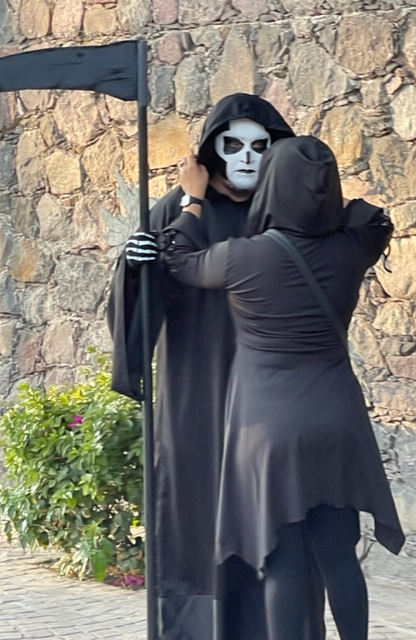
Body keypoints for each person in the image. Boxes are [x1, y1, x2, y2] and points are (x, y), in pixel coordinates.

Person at [163, 136, 406, 640]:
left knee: (283, 561)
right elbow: (376, 219)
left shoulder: (242, 257)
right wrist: (326, 203)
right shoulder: (352, 247)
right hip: (337, 421)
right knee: (339, 556)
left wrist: (192, 199)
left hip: (269, 428)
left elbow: (179, 258)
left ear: (271, 184)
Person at [107, 94, 327, 640]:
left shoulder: (291, 213)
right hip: (198, 387)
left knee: (277, 521)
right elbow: (140, 300)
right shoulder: (178, 210)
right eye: (234, 145)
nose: (247, 158)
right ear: (212, 151)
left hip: (276, 394)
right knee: (197, 510)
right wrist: (135, 270)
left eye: (261, 146)